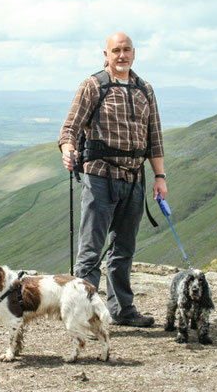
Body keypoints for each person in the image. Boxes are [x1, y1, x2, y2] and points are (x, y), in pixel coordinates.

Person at [58, 32, 167, 327]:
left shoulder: (145, 89)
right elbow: (69, 130)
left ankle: (121, 310)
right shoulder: (93, 85)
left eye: (127, 50)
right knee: (91, 250)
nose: (122, 55)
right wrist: (68, 151)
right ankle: (83, 315)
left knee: (124, 249)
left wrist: (159, 176)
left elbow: (154, 139)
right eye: (116, 50)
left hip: (135, 180)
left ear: (134, 53)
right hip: (100, 178)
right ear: (105, 55)